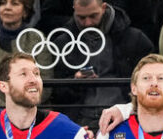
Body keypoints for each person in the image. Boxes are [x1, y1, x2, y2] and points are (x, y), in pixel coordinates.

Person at [51, 0, 152, 130]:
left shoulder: (134, 39)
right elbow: (56, 93)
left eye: (93, 16)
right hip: (79, 119)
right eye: (81, 17)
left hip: (124, 116)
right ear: (74, 9)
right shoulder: (62, 43)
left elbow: (149, 80)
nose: (88, 23)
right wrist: (75, 82)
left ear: (104, 8)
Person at [0, 0, 47, 108]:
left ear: (25, 11)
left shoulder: (38, 40)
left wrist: (20, 106)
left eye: (14, 3)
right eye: (3, 3)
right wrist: (7, 108)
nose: (7, 7)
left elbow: (46, 83)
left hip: (32, 110)